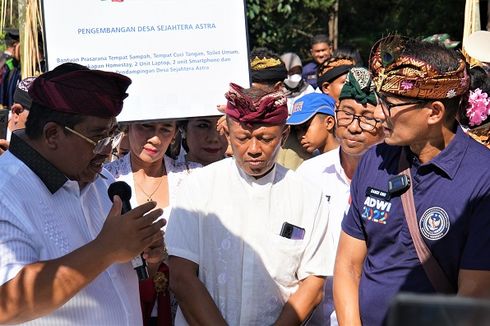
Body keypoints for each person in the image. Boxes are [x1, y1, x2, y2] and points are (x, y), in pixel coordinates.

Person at [334, 35, 490, 326]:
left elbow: (476, 296)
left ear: (434, 112)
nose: (380, 115)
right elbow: (348, 266)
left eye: (391, 104)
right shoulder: (374, 160)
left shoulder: (483, 180)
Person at [0, 63, 165, 324]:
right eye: (98, 138)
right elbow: (6, 304)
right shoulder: (5, 191)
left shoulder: (100, 181)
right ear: (52, 134)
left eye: (112, 136)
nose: (106, 152)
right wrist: (107, 249)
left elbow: (114, 277)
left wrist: (144, 254)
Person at [166, 83, 332, 325]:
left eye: (265, 139)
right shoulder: (197, 188)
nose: (254, 149)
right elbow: (181, 278)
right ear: (228, 134)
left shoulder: (307, 196)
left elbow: (313, 285)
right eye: (243, 138)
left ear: (284, 136)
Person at [296, 67, 384, 326]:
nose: (355, 128)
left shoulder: (398, 178)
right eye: (347, 114)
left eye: (367, 117)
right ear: (334, 115)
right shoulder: (309, 174)